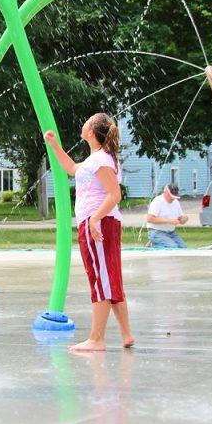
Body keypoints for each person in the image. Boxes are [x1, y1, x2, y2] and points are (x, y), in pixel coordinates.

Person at [44, 113, 134, 352]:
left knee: (100, 280)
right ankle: (126, 334)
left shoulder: (102, 160)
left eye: (87, 121)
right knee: (110, 278)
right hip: (101, 222)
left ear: (91, 132)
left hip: (98, 223)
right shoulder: (96, 159)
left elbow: (115, 195)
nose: (82, 123)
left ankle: (97, 339)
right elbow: (72, 168)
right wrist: (55, 146)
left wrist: (94, 219)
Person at [146, 183, 188, 249]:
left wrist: (184, 219)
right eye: (171, 196)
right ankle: (154, 244)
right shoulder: (157, 201)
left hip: (171, 232)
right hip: (156, 231)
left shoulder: (176, 202)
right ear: (166, 192)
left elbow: (180, 220)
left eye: (174, 197)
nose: (173, 198)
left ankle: (157, 243)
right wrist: (170, 221)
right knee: (172, 247)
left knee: (183, 247)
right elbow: (150, 219)